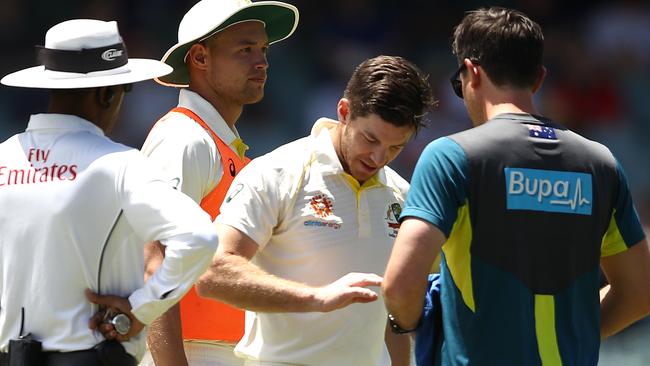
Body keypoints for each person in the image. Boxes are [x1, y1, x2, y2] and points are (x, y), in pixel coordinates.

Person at [382, 6, 650, 365]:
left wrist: (408, 329)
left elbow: (400, 285)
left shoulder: (451, 156)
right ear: (538, 79)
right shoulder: (600, 164)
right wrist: (574, 332)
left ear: (471, 73)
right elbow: (639, 293)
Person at [0, 19, 218, 366]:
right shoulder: (121, 164)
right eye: (123, 91)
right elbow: (200, 237)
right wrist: (142, 309)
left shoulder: (4, 155)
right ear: (106, 93)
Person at [195, 55, 434, 366]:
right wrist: (317, 298)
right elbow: (213, 273)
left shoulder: (402, 194)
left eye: (395, 147)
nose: (378, 157)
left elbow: (394, 312)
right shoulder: (277, 172)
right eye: (370, 138)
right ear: (344, 112)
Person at [139, 0, 299, 365]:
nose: (262, 62)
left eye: (263, 49)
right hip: (191, 352)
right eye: (245, 50)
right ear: (199, 58)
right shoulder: (185, 137)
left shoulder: (216, 140)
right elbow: (152, 258)